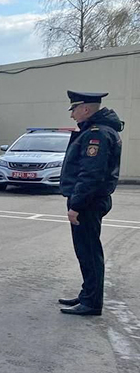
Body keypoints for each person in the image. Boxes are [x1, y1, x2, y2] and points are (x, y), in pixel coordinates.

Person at [58, 90, 123, 316]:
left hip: (88, 202)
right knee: (85, 250)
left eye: (74, 109)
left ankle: (92, 302)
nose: (72, 114)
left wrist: (76, 205)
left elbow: (91, 174)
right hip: (90, 200)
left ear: (85, 109)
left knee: (89, 252)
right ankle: (88, 294)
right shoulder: (97, 131)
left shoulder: (97, 134)